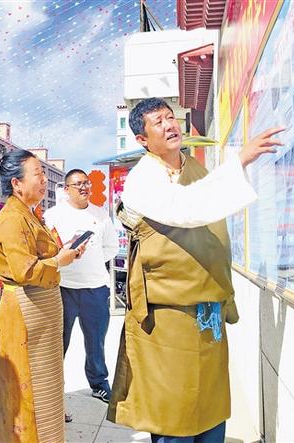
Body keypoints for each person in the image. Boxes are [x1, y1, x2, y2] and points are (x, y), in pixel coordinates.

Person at [107, 97, 284, 443]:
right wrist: (238, 162)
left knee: (211, 401)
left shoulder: (195, 169)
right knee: (175, 408)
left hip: (208, 306)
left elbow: (208, 203)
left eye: (170, 117)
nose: (169, 125)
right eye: (158, 122)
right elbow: (185, 209)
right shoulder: (142, 178)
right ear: (142, 139)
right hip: (168, 311)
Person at [0, 149, 83, 443]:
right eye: (38, 174)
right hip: (25, 312)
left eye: (44, 174)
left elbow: (42, 256)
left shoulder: (30, 214)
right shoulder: (11, 219)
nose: (44, 180)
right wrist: (59, 261)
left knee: (47, 389)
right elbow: (24, 270)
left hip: (41, 312)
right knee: (29, 393)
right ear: (16, 183)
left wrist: (64, 253)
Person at [44, 169, 119, 407]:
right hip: (63, 288)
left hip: (95, 289)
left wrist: (92, 262)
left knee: (96, 341)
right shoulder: (53, 215)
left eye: (87, 183)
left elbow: (111, 247)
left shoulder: (100, 215)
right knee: (58, 342)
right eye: (78, 184)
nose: (84, 187)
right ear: (66, 189)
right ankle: (53, 389)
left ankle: (99, 384)